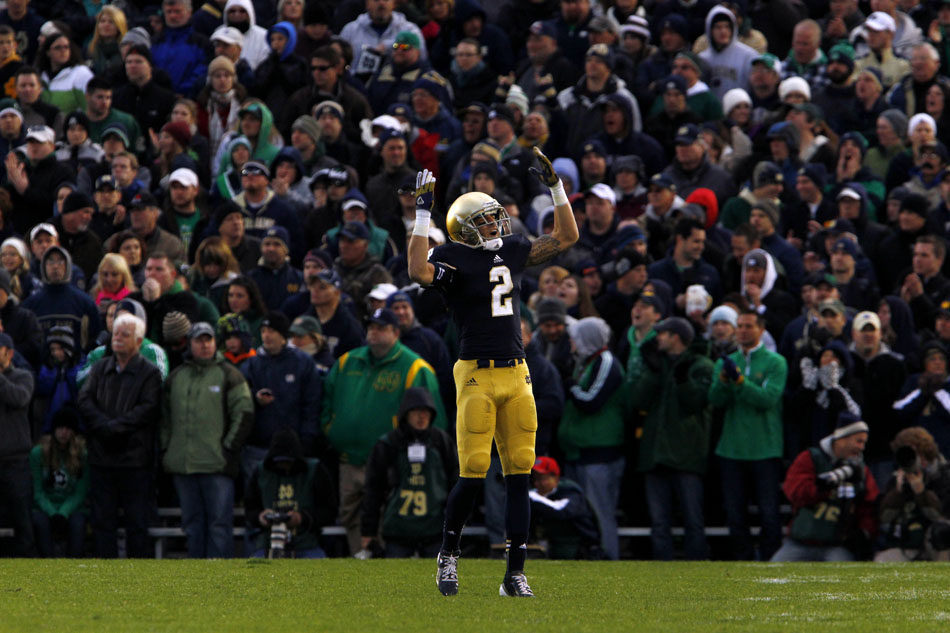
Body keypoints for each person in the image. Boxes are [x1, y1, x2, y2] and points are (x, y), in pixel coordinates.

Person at [408, 147, 579, 597]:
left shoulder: (515, 250)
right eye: (485, 220)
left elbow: (565, 236)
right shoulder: (452, 257)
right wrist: (421, 216)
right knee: (474, 471)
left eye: (495, 217)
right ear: (464, 229)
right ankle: (449, 555)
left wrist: (556, 187)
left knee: (521, 472)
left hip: (516, 372)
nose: (496, 226)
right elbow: (417, 270)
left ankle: (514, 573)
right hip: (476, 375)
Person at [321, 307, 446, 556]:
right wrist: (332, 430)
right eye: (370, 327)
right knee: (350, 514)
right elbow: (327, 402)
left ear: (395, 332)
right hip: (349, 461)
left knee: (385, 515)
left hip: (391, 463)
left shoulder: (414, 368)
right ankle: (361, 561)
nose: (373, 333)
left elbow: (433, 420)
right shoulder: (347, 361)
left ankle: (387, 560)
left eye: (380, 328)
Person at [162, 322, 254, 559]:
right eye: (199, 340)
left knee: (219, 525)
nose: (204, 345)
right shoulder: (176, 377)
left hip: (216, 464)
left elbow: (244, 412)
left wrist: (228, 449)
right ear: (189, 344)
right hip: (183, 464)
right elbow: (164, 418)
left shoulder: (229, 374)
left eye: (209, 340)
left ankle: (220, 577)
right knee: (191, 525)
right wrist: (167, 448)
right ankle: (196, 576)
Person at [77, 313, 162, 558]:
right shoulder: (100, 367)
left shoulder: (149, 373)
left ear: (138, 341)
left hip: (134, 460)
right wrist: (104, 424)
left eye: (125, 335)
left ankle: (137, 573)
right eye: (116, 334)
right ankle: (106, 572)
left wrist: (114, 427)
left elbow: (147, 409)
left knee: (137, 522)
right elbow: (84, 399)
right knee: (103, 521)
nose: (118, 339)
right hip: (102, 457)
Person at [629, 316, 714, 561]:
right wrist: (654, 373)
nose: (658, 339)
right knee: (659, 522)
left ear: (676, 337)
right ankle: (662, 570)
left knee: (692, 519)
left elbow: (697, 404)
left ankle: (697, 568)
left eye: (663, 334)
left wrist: (683, 381)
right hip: (656, 454)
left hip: (687, 453)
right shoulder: (658, 364)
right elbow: (638, 401)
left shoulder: (702, 365)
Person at [708, 309, 787, 561]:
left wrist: (740, 382)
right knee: (734, 513)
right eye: (739, 326)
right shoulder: (725, 362)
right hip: (732, 448)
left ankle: (770, 560)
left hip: (765, 447)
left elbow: (767, 399)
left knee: (768, 512)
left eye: (748, 326)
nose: (743, 330)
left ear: (761, 330)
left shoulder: (776, 362)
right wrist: (722, 381)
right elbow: (714, 400)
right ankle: (742, 561)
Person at [557, 316, 626, 560]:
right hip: (579, 452)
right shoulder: (585, 362)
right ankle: (592, 557)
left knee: (601, 512)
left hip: (599, 454)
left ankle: (609, 558)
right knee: (585, 514)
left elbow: (590, 401)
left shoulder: (606, 362)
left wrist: (570, 386)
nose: (571, 343)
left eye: (575, 338)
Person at [360, 387, 458, 558]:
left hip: (435, 529)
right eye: (416, 411)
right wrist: (369, 530)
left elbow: (456, 482)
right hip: (398, 530)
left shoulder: (441, 441)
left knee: (438, 579)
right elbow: (373, 490)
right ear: (405, 413)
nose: (422, 417)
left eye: (426, 412)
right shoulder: (388, 444)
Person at [771, 412, 880, 562]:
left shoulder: (861, 470)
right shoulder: (810, 459)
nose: (862, 447)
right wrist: (822, 488)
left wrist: (864, 532)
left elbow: (869, 506)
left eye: (864, 443)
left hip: (837, 545)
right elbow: (793, 492)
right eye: (858, 441)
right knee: (773, 574)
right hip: (801, 542)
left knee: (843, 579)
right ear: (842, 439)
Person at [241, 311, 322, 481]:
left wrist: (307, 439)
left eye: (272, 331)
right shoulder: (251, 365)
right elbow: (240, 400)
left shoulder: (302, 363)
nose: (267, 336)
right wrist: (256, 399)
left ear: (283, 335)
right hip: (259, 446)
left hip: (294, 447)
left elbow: (311, 403)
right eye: (263, 331)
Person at [244, 426, 336, 558]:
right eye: (279, 462)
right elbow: (250, 510)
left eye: (287, 462)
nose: (283, 465)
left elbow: (329, 511)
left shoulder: (315, 471)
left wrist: (301, 518)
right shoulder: (261, 472)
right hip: (267, 542)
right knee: (254, 567)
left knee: (319, 567)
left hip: (306, 543)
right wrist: (261, 517)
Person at [875, 426, 950, 562]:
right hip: (907, 542)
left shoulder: (944, 475)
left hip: (940, 544)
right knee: (882, 561)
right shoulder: (898, 478)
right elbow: (884, 517)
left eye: (913, 453)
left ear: (925, 453)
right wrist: (897, 492)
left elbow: (939, 515)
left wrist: (921, 493)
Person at [30, 406, 89, 558]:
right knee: (40, 523)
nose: (64, 432)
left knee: (78, 524)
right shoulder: (38, 454)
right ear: (54, 429)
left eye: (68, 428)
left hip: (72, 508)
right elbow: (37, 492)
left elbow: (80, 493)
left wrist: (63, 512)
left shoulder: (82, 455)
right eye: (60, 428)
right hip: (45, 507)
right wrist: (52, 512)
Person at [0, 332, 35, 556]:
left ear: (9, 353)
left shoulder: (23, 377)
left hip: (16, 462)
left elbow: (19, 398)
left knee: (22, 520)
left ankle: (27, 567)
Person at [528, 455, 602, 560]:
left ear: (555, 477)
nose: (537, 483)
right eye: (535, 479)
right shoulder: (535, 495)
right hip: (553, 547)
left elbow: (561, 511)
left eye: (542, 479)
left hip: (581, 549)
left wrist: (532, 496)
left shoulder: (570, 491)